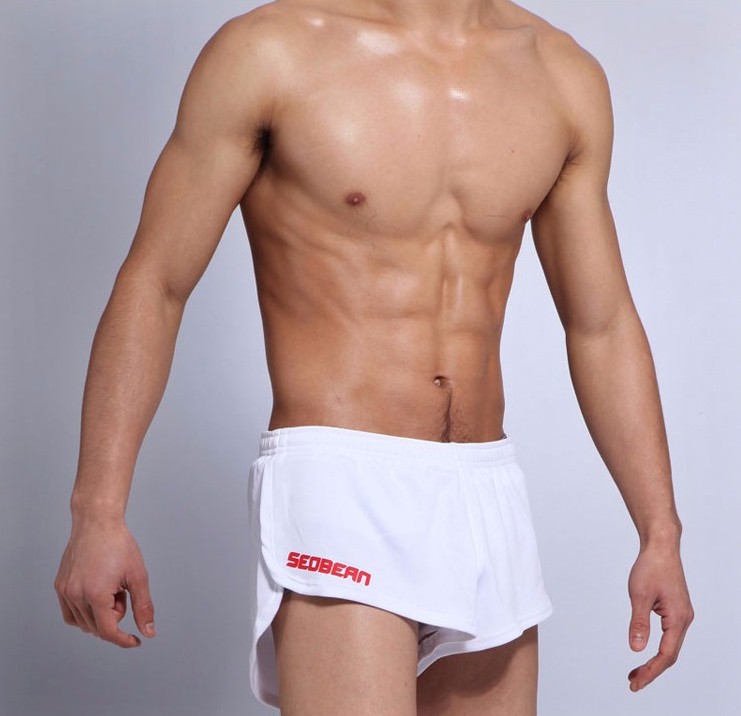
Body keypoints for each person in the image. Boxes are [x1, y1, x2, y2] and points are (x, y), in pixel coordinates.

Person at [53, 0, 694, 713]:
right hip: (340, 482)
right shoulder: (269, 53)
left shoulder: (559, 73)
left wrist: (658, 531)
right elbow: (156, 283)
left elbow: (600, 322)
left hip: (485, 489)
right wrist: (97, 511)